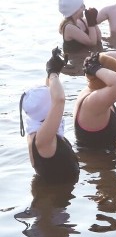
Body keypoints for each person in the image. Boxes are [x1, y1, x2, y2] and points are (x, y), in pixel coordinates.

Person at [20, 49, 79, 182]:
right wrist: (52, 73)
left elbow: (50, 100)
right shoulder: (43, 139)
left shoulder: (36, 124)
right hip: (58, 199)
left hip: (54, 193)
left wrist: (55, 71)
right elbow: (59, 100)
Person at [73, 52, 116, 150]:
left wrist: (90, 61)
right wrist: (95, 68)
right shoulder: (92, 102)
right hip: (100, 162)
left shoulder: (95, 89)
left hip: (112, 159)